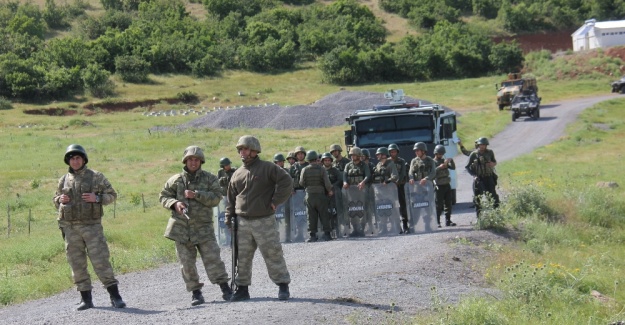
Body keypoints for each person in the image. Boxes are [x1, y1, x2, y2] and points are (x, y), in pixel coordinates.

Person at [53, 144, 126, 311]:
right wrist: (59, 200)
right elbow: (55, 200)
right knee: (77, 265)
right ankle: (86, 299)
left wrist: (97, 197)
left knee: (101, 261)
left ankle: (115, 297)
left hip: (92, 227)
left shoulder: (96, 177)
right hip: (71, 229)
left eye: (78, 157)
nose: (75, 161)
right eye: (72, 158)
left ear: (84, 159)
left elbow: (112, 195)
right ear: (68, 161)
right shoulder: (63, 180)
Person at [159, 146, 232, 306]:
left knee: (213, 259)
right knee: (187, 264)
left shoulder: (209, 179)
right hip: (181, 229)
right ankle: (196, 293)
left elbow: (216, 198)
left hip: (203, 228)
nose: (193, 162)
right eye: (190, 159)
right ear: (185, 161)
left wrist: (197, 195)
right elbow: (163, 196)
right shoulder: (175, 180)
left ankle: (225, 289)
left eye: (196, 160)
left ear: (201, 162)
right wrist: (175, 203)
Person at [226, 135, 292, 302]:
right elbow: (231, 199)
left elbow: (286, 182)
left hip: (264, 220)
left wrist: (275, 201)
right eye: (240, 149)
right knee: (242, 256)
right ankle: (242, 289)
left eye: (245, 149)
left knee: (273, 253)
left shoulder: (268, 168)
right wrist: (229, 218)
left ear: (255, 150)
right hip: (242, 222)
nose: (242, 152)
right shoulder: (237, 174)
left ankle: (283, 286)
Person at [299, 150, 334, 242]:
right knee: (324, 215)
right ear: (316, 159)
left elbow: (301, 182)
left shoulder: (304, 169)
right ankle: (327, 235)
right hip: (320, 195)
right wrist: (329, 190)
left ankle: (312, 236)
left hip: (309, 195)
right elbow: (327, 183)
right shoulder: (321, 169)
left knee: (311, 216)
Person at [465, 137, 500, 217]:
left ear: (486, 145)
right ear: (478, 145)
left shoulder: (490, 152)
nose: (482, 146)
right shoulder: (474, 154)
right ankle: (479, 218)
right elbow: (467, 166)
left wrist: (493, 164)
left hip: (489, 177)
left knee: (492, 197)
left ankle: (496, 216)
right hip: (479, 178)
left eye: (484, 145)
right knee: (478, 199)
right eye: (481, 145)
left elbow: (494, 161)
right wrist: (474, 176)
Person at [342, 147, 371, 237]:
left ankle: (362, 228)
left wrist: (363, 182)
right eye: (351, 155)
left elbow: (368, 175)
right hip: (351, 191)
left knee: (361, 208)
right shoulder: (348, 165)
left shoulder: (364, 165)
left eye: (354, 155)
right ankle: (355, 229)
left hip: (361, 190)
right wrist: (345, 182)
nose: (352, 156)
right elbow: (344, 175)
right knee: (352, 209)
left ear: (358, 155)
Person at [372, 147, 399, 234]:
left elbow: (395, 176)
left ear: (384, 155)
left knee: (391, 209)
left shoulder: (390, 164)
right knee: (381, 210)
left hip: (389, 191)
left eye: (378, 154)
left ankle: (395, 227)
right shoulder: (378, 165)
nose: (377, 156)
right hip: (379, 192)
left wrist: (387, 181)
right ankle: (383, 228)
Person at [433, 145, 456, 227]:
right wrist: (439, 167)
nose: (441, 155)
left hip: (446, 184)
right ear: (436, 153)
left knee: (448, 203)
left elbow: (453, 168)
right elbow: (431, 173)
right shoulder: (433, 162)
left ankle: (448, 220)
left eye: (442, 154)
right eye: (439, 154)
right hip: (439, 185)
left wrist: (451, 161)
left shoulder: (444, 161)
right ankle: (437, 221)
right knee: (439, 204)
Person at [388, 143, 409, 233]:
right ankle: (396, 225)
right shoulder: (387, 161)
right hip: (390, 188)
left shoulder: (401, 161)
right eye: (392, 152)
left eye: (395, 151)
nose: (393, 153)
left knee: (402, 205)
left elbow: (403, 172)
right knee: (392, 206)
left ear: (397, 152)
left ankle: (405, 225)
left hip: (400, 186)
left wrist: (398, 181)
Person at [321, 152, 343, 237]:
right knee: (325, 213)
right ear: (323, 161)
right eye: (325, 160)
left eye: (328, 160)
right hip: (324, 195)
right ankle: (326, 232)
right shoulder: (321, 170)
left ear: (331, 161)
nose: (327, 162)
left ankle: (337, 230)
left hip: (334, 194)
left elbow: (340, 180)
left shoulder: (335, 170)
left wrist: (332, 187)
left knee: (335, 212)